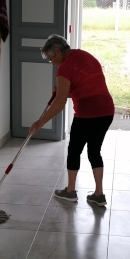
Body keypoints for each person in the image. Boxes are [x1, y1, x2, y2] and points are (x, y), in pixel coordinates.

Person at [29, 35, 114, 207]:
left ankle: (70, 191)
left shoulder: (64, 67)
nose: (52, 63)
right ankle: (99, 194)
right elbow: (86, 84)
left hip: (87, 112)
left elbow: (59, 103)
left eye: (51, 58)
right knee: (94, 151)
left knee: (74, 150)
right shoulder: (85, 56)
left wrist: (40, 122)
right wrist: (65, 90)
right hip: (106, 111)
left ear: (58, 51)